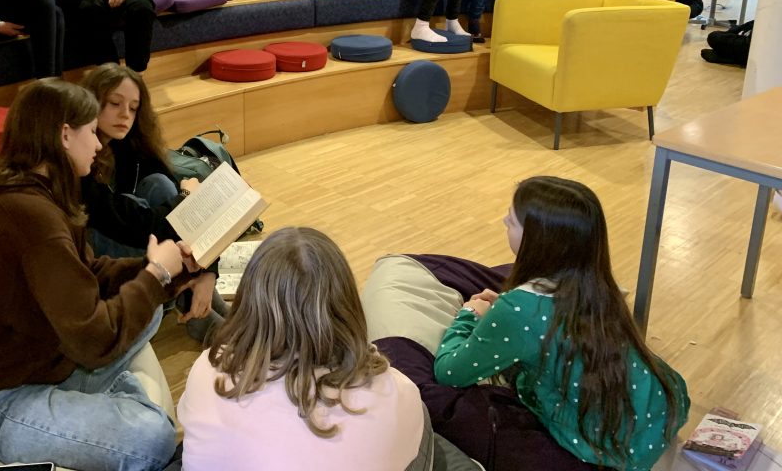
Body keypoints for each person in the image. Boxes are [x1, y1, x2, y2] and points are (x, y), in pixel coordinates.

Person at [0, 78, 196, 471]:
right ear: (65, 135)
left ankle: (98, 413)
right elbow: (94, 340)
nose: (98, 144)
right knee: (151, 440)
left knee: (150, 308)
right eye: (91, 132)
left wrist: (162, 270)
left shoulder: (40, 194)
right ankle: (106, 412)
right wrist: (156, 275)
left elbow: (88, 273)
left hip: (37, 363)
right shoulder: (27, 213)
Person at [433, 176, 689, 471]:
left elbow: (449, 372)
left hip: (610, 442)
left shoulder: (518, 309)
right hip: (659, 406)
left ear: (538, 241)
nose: (504, 220)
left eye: (512, 220)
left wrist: (469, 314)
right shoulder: (597, 283)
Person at [178, 227, 434, 471]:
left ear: (248, 299)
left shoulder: (207, 370)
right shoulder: (394, 391)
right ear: (346, 306)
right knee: (419, 415)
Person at [80, 63, 228, 342]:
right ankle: (201, 315)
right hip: (96, 257)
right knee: (143, 203)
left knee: (160, 184)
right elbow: (140, 225)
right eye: (114, 104)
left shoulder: (129, 143)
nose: (125, 115)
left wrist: (209, 273)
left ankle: (201, 304)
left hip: (138, 239)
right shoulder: (79, 156)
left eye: (133, 108)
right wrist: (187, 198)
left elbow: (177, 215)